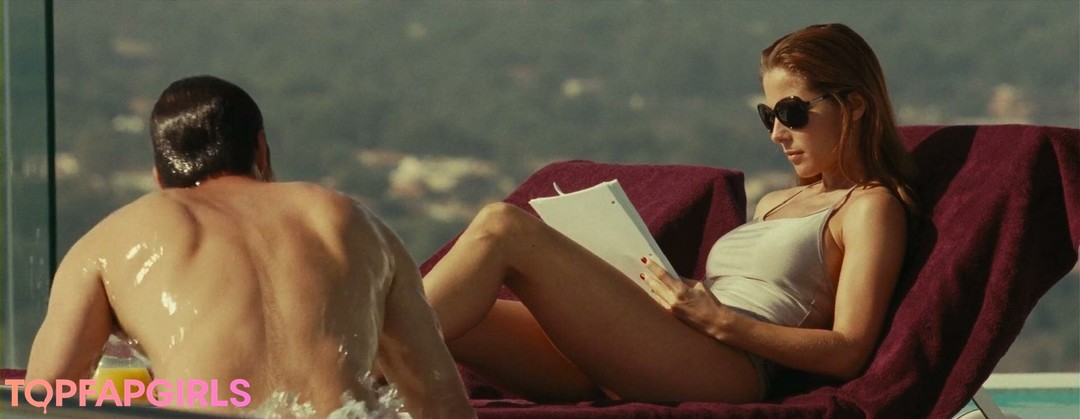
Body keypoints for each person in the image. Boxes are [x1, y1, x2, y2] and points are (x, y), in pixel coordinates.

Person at [422, 23, 918, 403]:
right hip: (672, 341)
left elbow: (849, 350)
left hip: (729, 363)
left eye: (791, 113)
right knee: (433, 314)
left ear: (854, 104)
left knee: (503, 227)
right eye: (768, 116)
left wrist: (721, 322)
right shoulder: (776, 201)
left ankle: (367, 377)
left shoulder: (869, 207)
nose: (776, 134)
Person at [26, 75, 474, 418]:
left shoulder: (109, 241)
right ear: (261, 150)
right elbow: (443, 404)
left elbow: (43, 403)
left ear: (159, 177)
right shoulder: (354, 221)